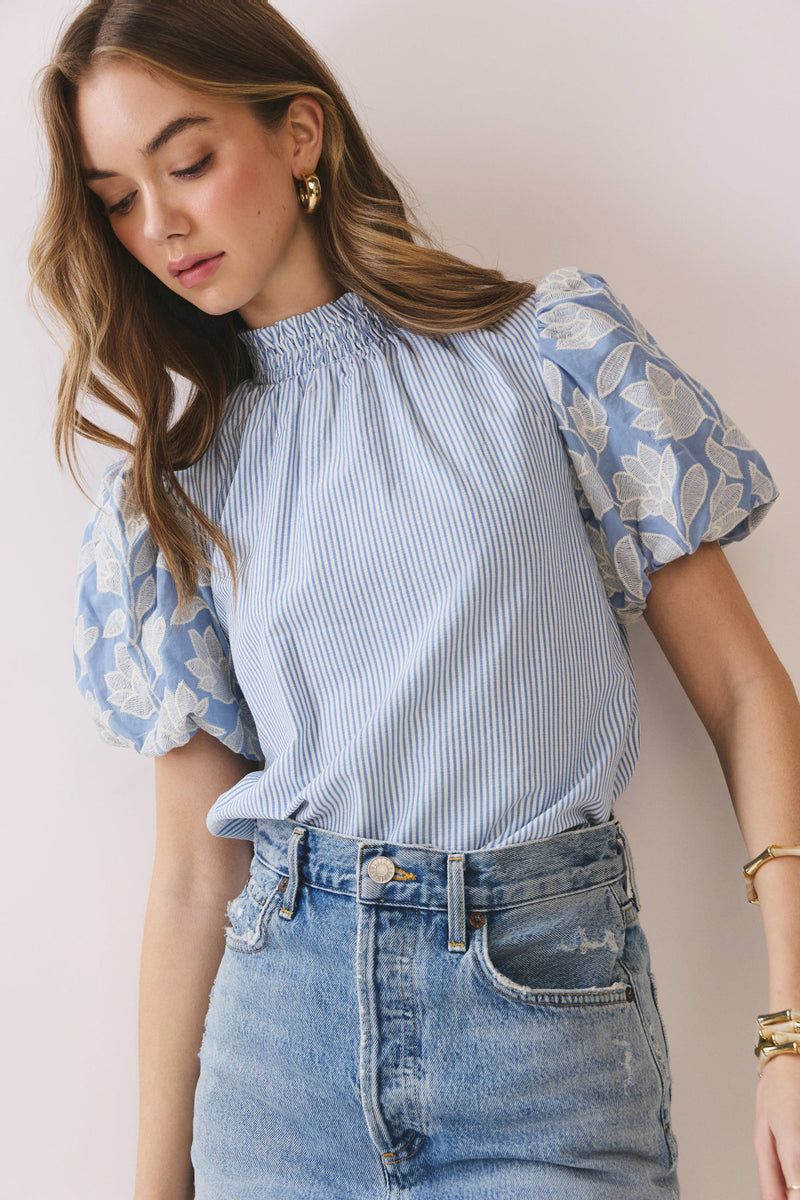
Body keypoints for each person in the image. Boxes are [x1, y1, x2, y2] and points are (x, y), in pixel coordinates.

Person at [28, 1, 800, 1197]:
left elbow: (744, 691)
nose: (159, 224)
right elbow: (190, 874)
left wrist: (788, 1027)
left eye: (186, 162)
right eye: (118, 197)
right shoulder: (175, 492)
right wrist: (151, 1185)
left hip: (543, 1034)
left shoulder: (545, 353)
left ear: (299, 134)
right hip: (279, 1056)